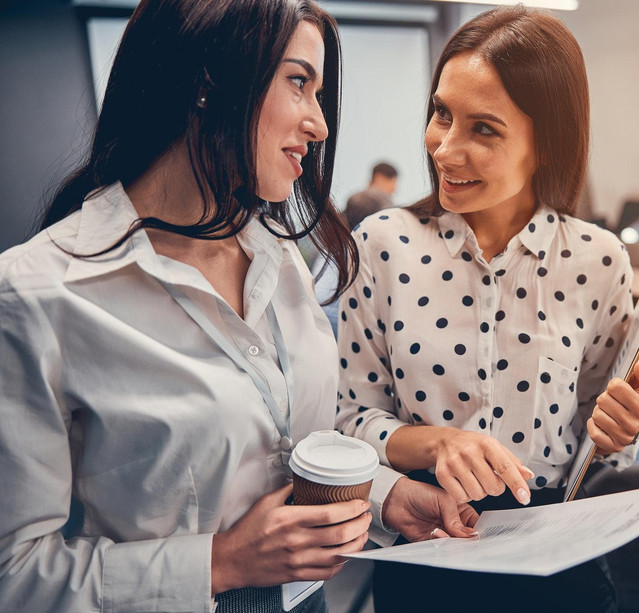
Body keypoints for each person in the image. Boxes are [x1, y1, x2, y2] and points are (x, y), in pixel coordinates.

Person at [0, 1, 475, 611]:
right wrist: (222, 562)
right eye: (299, 82)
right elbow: (14, 574)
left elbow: (283, 450)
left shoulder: (279, 261)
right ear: (208, 82)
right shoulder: (38, 295)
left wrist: (385, 496)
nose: (319, 124)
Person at [335, 6, 639, 613]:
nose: (445, 149)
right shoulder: (382, 243)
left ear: (547, 143)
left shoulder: (598, 260)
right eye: (442, 114)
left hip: (557, 556)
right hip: (428, 540)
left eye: (484, 129)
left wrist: (621, 429)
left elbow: (598, 439)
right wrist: (436, 444)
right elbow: (348, 418)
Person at [342, 161, 398, 229]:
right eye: (394, 182)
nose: (395, 189)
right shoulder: (385, 203)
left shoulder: (354, 197)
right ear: (381, 179)